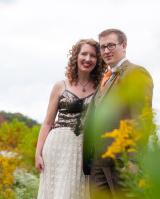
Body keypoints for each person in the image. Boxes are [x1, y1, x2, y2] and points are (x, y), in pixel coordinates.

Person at [82, 29, 154, 199]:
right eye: (102, 47)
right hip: (98, 163)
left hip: (122, 162)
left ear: (124, 45)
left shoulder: (136, 73)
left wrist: (134, 160)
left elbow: (142, 118)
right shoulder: (105, 78)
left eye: (111, 45)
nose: (106, 51)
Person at [36, 39, 106, 199]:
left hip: (85, 149)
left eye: (93, 56)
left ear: (98, 60)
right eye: (84, 54)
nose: (88, 59)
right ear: (76, 56)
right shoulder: (60, 86)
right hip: (57, 146)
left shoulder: (101, 88)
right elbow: (47, 123)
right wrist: (38, 153)